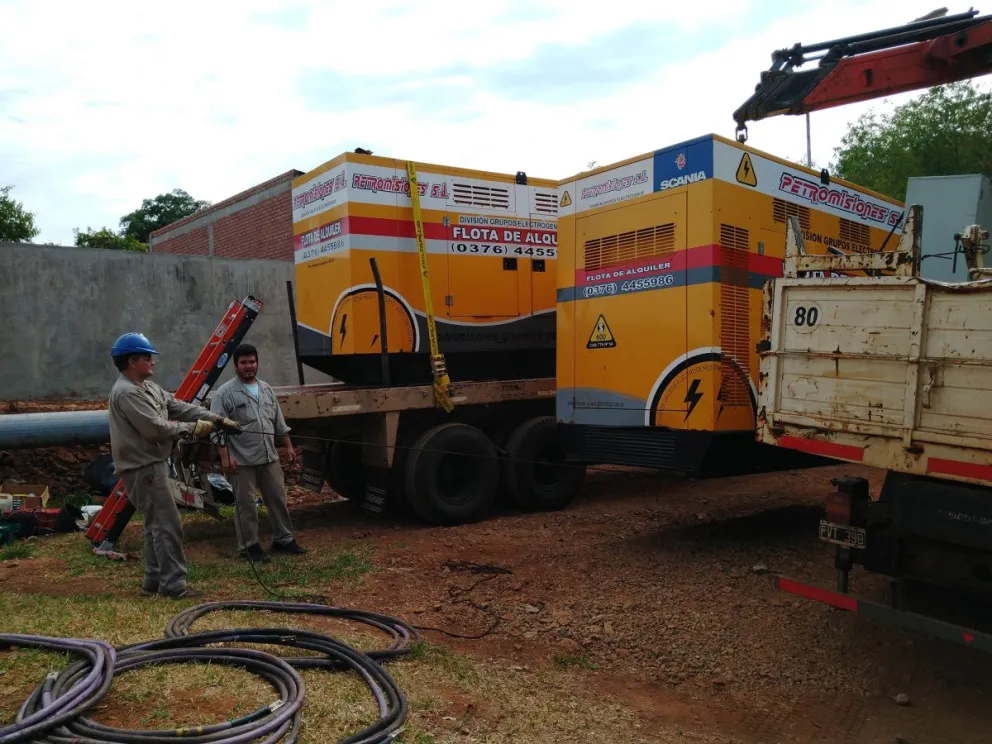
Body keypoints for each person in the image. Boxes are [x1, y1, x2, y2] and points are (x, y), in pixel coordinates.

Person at [107, 332, 241, 599]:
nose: (152, 362)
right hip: (143, 467)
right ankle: (173, 586)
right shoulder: (127, 393)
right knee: (167, 524)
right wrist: (195, 429)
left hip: (150, 464)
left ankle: (153, 581)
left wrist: (216, 419)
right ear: (132, 361)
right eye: (147, 357)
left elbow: (177, 406)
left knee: (154, 523)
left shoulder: (147, 388)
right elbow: (156, 430)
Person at [211, 343, 307, 562]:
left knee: (277, 499)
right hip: (241, 461)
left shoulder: (266, 389)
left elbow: (278, 421)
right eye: (244, 363)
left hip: (269, 456)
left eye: (252, 362)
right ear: (236, 366)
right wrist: (226, 457)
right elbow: (217, 429)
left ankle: (284, 539)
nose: (249, 366)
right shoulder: (224, 394)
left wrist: (289, 446)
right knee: (245, 505)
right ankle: (249, 546)